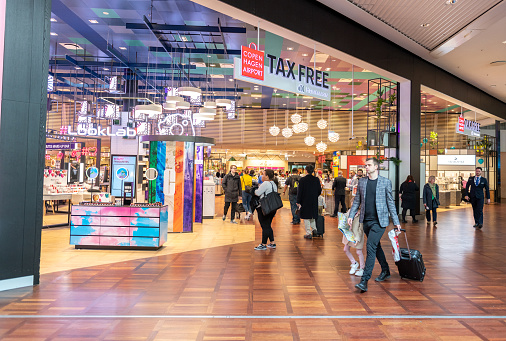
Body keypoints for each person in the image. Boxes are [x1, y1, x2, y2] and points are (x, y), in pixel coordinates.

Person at [348, 158, 401, 293]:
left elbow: (390, 203)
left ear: (376, 167)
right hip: (366, 221)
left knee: (370, 247)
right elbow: (357, 201)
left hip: (380, 221)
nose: (366, 167)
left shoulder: (385, 182)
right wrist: (351, 215)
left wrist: (396, 221)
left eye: (369, 165)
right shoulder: (362, 182)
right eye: (366, 165)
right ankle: (385, 270)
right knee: (376, 246)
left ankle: (364, 281)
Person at [254, 169, 278, 250]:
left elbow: (257, 193)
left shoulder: (265, 183)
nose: (262, 176)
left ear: (267, 176)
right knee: (268, 225)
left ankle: (263, 244)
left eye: (263, 174)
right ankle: (272, 242)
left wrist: (253, 191)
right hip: (272, 207)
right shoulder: (273, 183)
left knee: (265, 226)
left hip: (264, 207)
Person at [296, 164, 322, 239]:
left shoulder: (302, 180)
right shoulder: (316, 179)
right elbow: (319, 191)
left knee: (306, 217)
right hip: (314, 200)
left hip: (305, 200)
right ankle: (314, 230)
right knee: (313, 215)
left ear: (306, 170)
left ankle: (308, 233)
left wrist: (298, 201)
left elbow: (300, 191)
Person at [343, 212, 365, 277]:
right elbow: (345, 217)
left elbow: (361, 228)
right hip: (349, 234)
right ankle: (354, 263)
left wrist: (358, 238)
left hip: (357, 235)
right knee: (345, 249)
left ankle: (362, 268)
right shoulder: (350, 211)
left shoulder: (361, 214)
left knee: (359, 252)